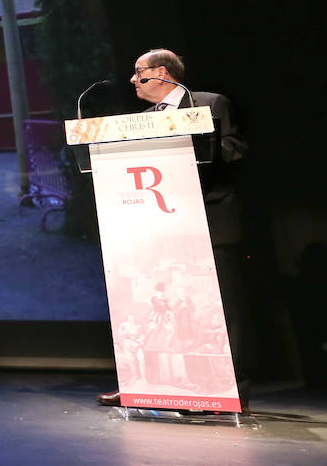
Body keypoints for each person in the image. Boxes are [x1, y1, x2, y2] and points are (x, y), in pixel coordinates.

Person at [97, 48, 252, 411]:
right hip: (160, 226)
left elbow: (237, 149)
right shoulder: (142, 120)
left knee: (222, 310)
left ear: (162, 73)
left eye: (138, 72)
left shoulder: (211, 104)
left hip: (211, 219)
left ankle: (229, 392)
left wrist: (195, 139)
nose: (132, 80)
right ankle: (145, 386)